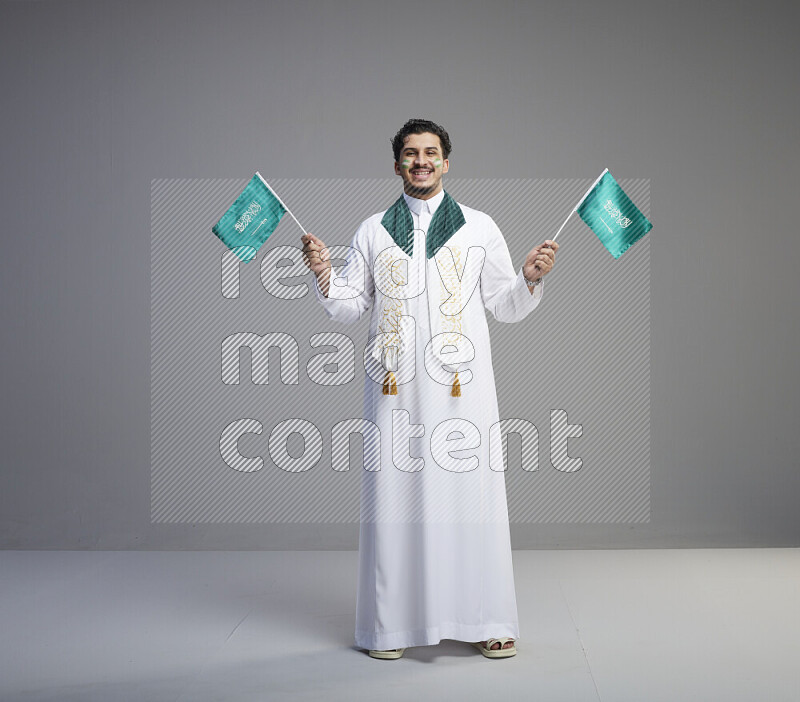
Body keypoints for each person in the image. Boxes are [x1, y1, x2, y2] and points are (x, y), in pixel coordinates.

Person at [301, 119, 558, 660]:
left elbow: (505, 305)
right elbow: (350, 305)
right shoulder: (374, 230)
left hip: (463, 391)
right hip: (394, 390)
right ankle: (391, 627)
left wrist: (530, 278)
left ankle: (487, 619)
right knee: (396, 500)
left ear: (447, 162)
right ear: (396, 164)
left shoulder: (479, 227)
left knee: (473, 499)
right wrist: (324, 272)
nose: (421, 161)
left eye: (432, 153)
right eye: (411, 154)